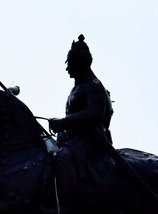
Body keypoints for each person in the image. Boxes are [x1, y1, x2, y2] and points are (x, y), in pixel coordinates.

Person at [48, 35, 115, 188]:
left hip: (92, 139)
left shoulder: (93, 85)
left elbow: (95, 113)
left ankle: (67, 199)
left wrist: (63, 122)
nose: (67, 68)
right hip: (75, 139)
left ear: (79, 64)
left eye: (70, 64)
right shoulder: (77, 88)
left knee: (63, 157)